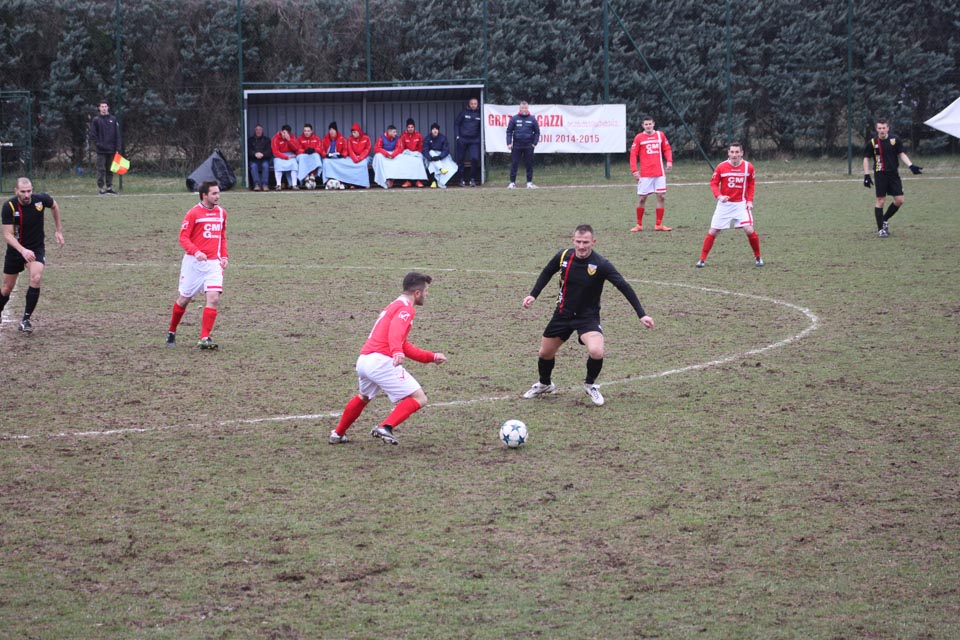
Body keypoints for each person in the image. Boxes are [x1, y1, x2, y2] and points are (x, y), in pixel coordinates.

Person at [521, 224, 654, 406]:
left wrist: (642, 314)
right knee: (545, 353)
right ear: (573, 240)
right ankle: (545, 384)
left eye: (585, 242)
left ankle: (590, 384)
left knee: (596, 351)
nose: (581, 246)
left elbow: (623, 286)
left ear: (593, 242)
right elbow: (546, 272)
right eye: (578, 241)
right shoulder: (563, 256)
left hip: (587, 317)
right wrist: (533, 294)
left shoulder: (601, 264)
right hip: (562, 314)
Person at [329, 271, 447, 446]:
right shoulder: (406, 309)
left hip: (365, 360)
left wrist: (431, 357)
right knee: (419, 398)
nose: (426, 295)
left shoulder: (393, 305)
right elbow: (396, 331)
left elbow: (403, 343)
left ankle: (338, 433)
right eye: (426, 291)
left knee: (364, 396)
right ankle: (385, 427)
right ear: (417, 293)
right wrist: (396, 351)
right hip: (381, 362)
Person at [166, 181, 229, 350]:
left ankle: (204, 338)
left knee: (213, 299)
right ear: (204, 195)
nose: (218, 196)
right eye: (214, 193)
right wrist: (196, 252)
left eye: (218, 193)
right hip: (194, 264)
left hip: (213, 264)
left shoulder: (221, 213)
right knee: (184, 300)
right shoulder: (193, 213)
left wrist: (224, 256)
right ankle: (172, 331)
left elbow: (222, 236)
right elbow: (183, 237)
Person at [0, 178, 65, 333]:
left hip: (35, 248)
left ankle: (26, 320)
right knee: (6, 288)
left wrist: (58, 230)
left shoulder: (40, 200)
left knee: (36, 277)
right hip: (16, 250)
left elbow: (54, 206)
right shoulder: (9, 206)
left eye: (29, 191)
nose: (26, 195)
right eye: (23, 192)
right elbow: (8, 235)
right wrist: (22, 250)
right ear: (16, 191)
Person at [695, 142, 763, 268]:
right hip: (724, 206)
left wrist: (749, 201)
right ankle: (702, 260)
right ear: (728, 153)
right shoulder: (721, 167)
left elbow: (751, 184)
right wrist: (719, 196)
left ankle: (758, 257)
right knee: (713, 231)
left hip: (741, 205)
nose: (734, 155)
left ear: (742, 153)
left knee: (749, 229)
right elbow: (713, 183)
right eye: (732, 152)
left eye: (737, 152)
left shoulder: (748, 167)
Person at [863, 118, 923, 238]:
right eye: (879, 128)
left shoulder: (895, 140)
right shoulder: (872, 143)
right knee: (881, 201)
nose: (882, 130)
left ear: (888, 128)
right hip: (880, 174)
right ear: (876, 129)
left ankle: (884, 219)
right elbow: (866, 158)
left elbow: (901, 154)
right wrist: (866, 175)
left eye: (884, 128)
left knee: (899, 200)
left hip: (893, 174)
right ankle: (881, 229)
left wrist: (911, 166)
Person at [628, 116, 673, 232]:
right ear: (643, 126)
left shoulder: (660, 135)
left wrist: (669, 160)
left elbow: (667, 149)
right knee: (642, 198)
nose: (648, 126)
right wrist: (634, 170)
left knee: (661, 196)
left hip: (659, 172)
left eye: (650, 124)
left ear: (653, 124)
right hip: (645, 174)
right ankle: (639, 225)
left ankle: (658, 224)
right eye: (646, 124)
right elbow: (633, 155)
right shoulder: (639, 138)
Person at [372, 124, 428, 189]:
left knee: (404, 158)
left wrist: (393, 155)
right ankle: (383, 179)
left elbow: (399, 148)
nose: (396, 133)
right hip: (384, 155)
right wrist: (386, 154)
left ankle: (409, 180)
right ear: (389, 132)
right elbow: (377, 148)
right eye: (394, 132)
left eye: (396, 132)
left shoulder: (397, 138)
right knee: (378, 156)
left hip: (393, 155)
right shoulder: (381, 137)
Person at [88, 100, 122, 195]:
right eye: (102, 107)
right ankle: (101, 188)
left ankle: (109, 187)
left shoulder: (113, 119)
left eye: (105, 106)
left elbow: (117, 134)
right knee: (101, 169)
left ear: (108, 108)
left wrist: (118, 147)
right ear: (99, 108)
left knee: (110, 169)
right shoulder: (96, 120)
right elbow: (93, 134)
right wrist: (99, 144)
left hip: (112, 149)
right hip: (101, 150)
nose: (104, 108)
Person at [325, 122, 371, 189]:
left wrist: (360, 158)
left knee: (363, 164)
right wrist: (355, 158)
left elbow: (367, 149)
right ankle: (352, 183)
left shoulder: (366, 138)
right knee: (350, 165)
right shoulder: (350, 139)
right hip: (353, 158)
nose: (353, 134)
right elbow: (350, 150)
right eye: (352, 132)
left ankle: (364, 183)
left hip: (364, 157)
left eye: (355, 132)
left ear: (358, 131)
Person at [506, 101, 540, 189]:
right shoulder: (514, 118)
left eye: (525, 108)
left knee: (529, 164)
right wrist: (509, 143)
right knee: (514, 163)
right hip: (516, 145)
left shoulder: (532, 119)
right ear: (520, 108)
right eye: (522, 108)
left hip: (528, 145)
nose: (524, 109)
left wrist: (534, 143)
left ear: (527, 108)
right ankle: (512, 183)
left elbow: (537, 132)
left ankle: (529, 183)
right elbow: (509, 131)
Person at [455, 97, 482, 187]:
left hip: (474, 140)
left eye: (475, 103)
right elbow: (457, 124)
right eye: (472, 103)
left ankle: (472, 179)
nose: (473, 105)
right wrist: (457, 136)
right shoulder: (464, 112)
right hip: (462, 139)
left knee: (474, 158)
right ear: (469, 104)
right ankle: (461, 179)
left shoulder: (480, 114)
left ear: (477, 104)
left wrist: (479, 138)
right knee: (460, 159)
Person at [423, 123, 457, 189]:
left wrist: (440, 157)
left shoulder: (443, 138)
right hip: (431, 157)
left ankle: (434, 182)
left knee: (434, 164)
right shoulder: (427, 138)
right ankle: (441, 169)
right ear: (431, 130)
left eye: (436, 129)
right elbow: (425, 150)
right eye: (433, 129)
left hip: (441, 157)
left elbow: (446, 150)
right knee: (431, 153)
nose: (435, 131)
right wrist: (430, 158)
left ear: (438, 130)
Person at [271, 125, 301, 190]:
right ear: (281, 131)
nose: (285, 134)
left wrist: (289, 140)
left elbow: (296, 148)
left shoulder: (292, 137)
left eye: (287, 133)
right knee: (278, 163)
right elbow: (275, 152)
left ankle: (294, 185)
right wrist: (286, 157)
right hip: (279, 155)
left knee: (294, 164)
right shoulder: (275, 138)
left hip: (290, 154)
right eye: (284, 132)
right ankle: (278, 185)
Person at [399, 118, 425, 187]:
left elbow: (420, 147)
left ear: (414, 127)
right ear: (407, 128)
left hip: (416, 154)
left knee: (419, 161)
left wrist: (416, 154)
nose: (410, 129)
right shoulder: (403, 136)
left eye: (412, 127)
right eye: (409, 127)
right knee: (406, 162)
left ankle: (418, 181)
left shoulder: (419, 135)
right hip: (407, 154)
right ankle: (408, 181)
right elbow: (402, 148)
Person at [296, 123, 323, 187]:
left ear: (311, 131)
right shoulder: (299, 139)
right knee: (302, 157)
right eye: (305, 131)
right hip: (303, 155)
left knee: (316, 156)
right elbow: (297, 149)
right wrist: (304, 151)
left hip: (312, 154)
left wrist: (313, 150)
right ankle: (305, 175)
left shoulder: (316, 138)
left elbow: (320, 149)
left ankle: (312, 174)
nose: (306, 132)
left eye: (308, 131)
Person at [247, 124, 272, 191]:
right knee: (253, 166)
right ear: (255, 131)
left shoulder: (267, 140)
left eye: (260, 129)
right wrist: (255, 154)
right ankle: (256, 184)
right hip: (253, 159)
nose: (258, 131)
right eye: (257, 130)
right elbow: (248, 151)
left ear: (262, 130)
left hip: (264, 159)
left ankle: (265, 185)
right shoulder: (250, 140)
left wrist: (262, 154)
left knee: (265, 165)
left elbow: (269, 151)